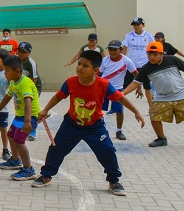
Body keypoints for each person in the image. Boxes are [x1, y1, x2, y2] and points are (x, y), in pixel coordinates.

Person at [32, 50, 145, 196]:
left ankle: (114, 181)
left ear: (96, 70)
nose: (80, 68)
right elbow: (59, 96)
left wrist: (136, 111)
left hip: (95, 127)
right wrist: (45, 109)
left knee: (108, 151)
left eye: (85, 66)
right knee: (56, 149)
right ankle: (46, 175)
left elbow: (120, 98)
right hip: (71, 124)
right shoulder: (71, 82)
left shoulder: (104, 84)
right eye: (79, 64)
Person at [123, 41, 184, 147]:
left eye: (155, 54)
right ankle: (161, 139)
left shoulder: (172, 59)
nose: (152, 57)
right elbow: (136, 83)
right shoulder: (146, 68)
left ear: (162, 54)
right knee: (154, 116)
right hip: (162, 97)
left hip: (182, 95)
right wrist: (122, 93)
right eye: (149, 54)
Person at [0, 55, 40, 181]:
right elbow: (7, 97)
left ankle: (29, 170)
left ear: (17, 71)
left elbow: (28, 103)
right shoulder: (14, 82)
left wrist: (28, 121)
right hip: (20, 116)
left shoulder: (25, 84)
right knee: (11, 135)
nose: (5, 74)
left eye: (7, 71)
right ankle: (15, 160)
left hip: (29, 117)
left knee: (19, 141)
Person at [99, 40, 138, 140]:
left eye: (115, 49)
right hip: (103, 88)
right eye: (110, 49)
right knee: (99, 110)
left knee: (119, 111)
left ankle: (119, 131)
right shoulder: (105, 60)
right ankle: (99, 130)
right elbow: (98, 74)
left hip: (117, 89)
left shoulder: (127, 61)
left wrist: (139, 88)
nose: (112, 52)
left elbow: (136, 75)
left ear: (120, 50)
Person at [122, 17, 154, 107]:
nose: (136, 26)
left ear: (143, 25)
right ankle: (117, 106)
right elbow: (124, 49)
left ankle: (151, 107)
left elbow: (153, 49)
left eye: (138, 24)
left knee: (147, 86)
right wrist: (122, 62)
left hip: (145, 65)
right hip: (131, 65)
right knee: (125, 85)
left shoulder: (148, 36)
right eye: (134, 25)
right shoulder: (129, 35)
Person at [17, 42, 42, 141]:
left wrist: (29, 92)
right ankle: (22, 125)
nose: (20, 54)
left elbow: (34, 80)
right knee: (23, 108)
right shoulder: (16, 60)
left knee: (31, 108)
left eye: (23, 52)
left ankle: (33, 130)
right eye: (19, 51)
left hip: (33, 87)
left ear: (29, 53)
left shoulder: (31, 63)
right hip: (22, 88)